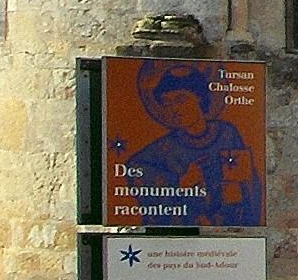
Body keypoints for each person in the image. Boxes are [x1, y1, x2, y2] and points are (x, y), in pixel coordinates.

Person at [113, 61, 264, 227]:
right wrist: (181, 184)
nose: (175, 109)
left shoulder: (227, 133)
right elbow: (137, 170)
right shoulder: (163, 149)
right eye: (167, 103)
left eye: (181, 99)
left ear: (199, 97)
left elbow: (249, 184)